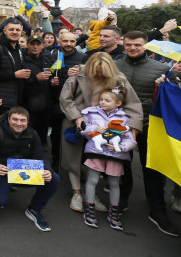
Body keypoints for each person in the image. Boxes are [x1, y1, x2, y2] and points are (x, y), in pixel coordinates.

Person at [59, 52, 142, 214]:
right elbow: (65, 99)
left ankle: (90, 194)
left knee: (96, 158)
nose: (98, 74)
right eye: (95, 70)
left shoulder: (119, 81)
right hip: (77, 121)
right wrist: (76, 117)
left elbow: (132, 104)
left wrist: (133, 130)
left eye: (102, 71)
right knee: (72, 157)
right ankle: (76, 192)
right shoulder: (78, 75)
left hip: (106, 126)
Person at [115, 31, 176, 235]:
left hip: (149, 126)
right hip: (120, 125)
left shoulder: (162, 68)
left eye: (137, 45)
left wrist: (167, 83)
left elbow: (169, 97)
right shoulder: (114, 65)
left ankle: (157, 210)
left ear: (145, 46)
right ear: (123, 44)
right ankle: (120, 201)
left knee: (152, 169)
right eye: (129, 44)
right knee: (121, 166)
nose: (133, 48)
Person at [0, 107, 60, 232]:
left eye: (22, 120)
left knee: (54, 179)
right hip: (0, 173)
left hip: (23, 173)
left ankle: (35, 209)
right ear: (8, 119)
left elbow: (41, 156)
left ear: (27, 121)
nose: (18, 123)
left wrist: (47, 170)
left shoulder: (32, 134)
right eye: (15, 119)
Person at [79, 87, 135, 231]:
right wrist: (94, 129)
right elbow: (83, 130)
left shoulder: (125, 118)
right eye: (101, 99)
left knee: (114, 183)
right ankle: (90, 209)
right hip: (95, 152)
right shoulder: (91, 112)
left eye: (107, 100)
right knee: (92, 180)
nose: (102, 102)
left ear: (118, 103)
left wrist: (121, 147)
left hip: (116, 155)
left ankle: (114, 213)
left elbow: (130, 139)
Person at [49, 31, 84, 172]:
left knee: (76, 136)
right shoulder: (53, 56)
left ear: (76, 43)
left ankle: (77, 167)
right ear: (59, 42)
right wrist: (51, 81)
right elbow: (46, 75)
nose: (69, 44)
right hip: (56, 103)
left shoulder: (83, 57)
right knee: (56, 135)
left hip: (76, 104)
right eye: (65, 41)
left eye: (72, 41)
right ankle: (55, 161)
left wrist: (80, 73)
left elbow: (91, 78)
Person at [0, 18, 30, 115]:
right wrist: (14, 75)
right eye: (11, 29)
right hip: (2, 101)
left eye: (17, 30)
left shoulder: (19, 49)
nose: (14, 32)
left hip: (16, 99)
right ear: (4, 31)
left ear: (21, 32)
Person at [22, 35, 57, 144]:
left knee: (42, 134)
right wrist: (35, 78)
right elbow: (19, 81)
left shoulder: (47, 59)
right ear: (28, 45)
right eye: (32, 44)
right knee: (28, 134)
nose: (35, 47)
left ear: (43, 46)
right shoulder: (22, 60)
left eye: (38, 44)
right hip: (28, 104)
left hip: (45, 104)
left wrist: (52, 82)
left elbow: (51, 75)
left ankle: (41, 154)